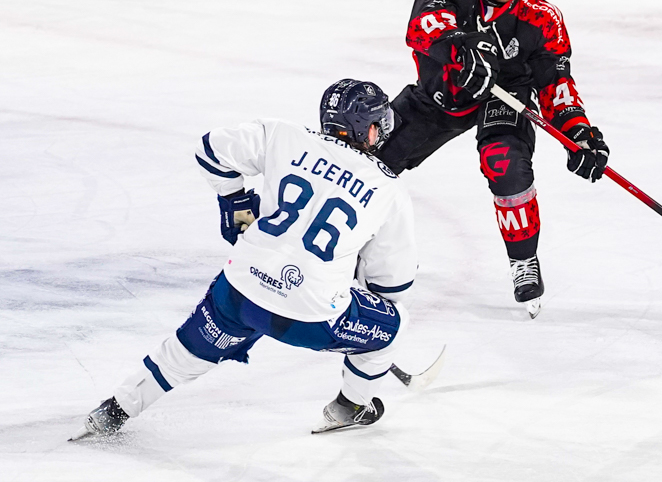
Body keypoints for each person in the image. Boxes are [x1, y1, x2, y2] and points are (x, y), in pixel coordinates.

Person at [71, 79, 417, 438]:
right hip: (312, 318)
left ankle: (114, 411)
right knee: (394, 325)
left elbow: (212, 150)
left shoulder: (283, 135)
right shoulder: (388, 190)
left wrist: (233, 201)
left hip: (239, 292)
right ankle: (352, 404)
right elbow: (393, 283)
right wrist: (358, 291)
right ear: (369, 128)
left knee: (183, 354)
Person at [375, 0, 609, 318]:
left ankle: (523, 260)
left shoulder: (542, 18)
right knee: (370, 163)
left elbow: (556, 83)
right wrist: (459, 50)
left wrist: (579, 132)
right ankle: (354, 244)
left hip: (505, 96)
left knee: (506, 164)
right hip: (443, 92)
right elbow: (423, 27)